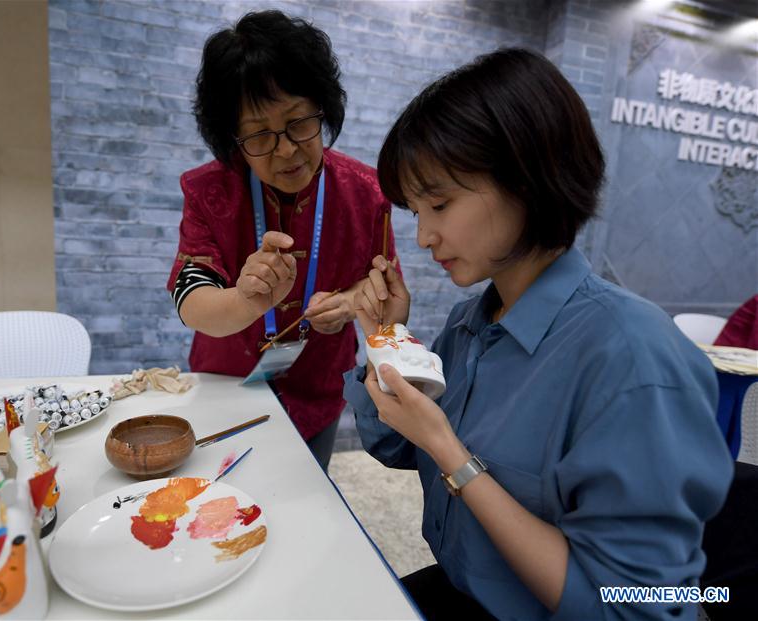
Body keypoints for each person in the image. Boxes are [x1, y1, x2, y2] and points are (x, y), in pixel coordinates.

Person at [343, 48, 733, 620]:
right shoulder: (470, 322)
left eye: (440, 204)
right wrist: (385, 339)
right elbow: (398, 444)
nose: (423, 237)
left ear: (525, 178)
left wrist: (454, 454)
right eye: (415, 212)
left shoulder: (634, 358)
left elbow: (639, 606)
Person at [166, 10, 398, 470]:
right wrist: (247, 301)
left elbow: (383, 284)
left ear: (322, 108)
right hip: (227, 389)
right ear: (233, 138)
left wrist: (350, 303)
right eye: (260, 136)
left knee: (305, 505)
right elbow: (190, 299)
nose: (287, 150)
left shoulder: (367, 192)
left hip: (317, 392)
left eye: (298, 123)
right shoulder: (209, 191)